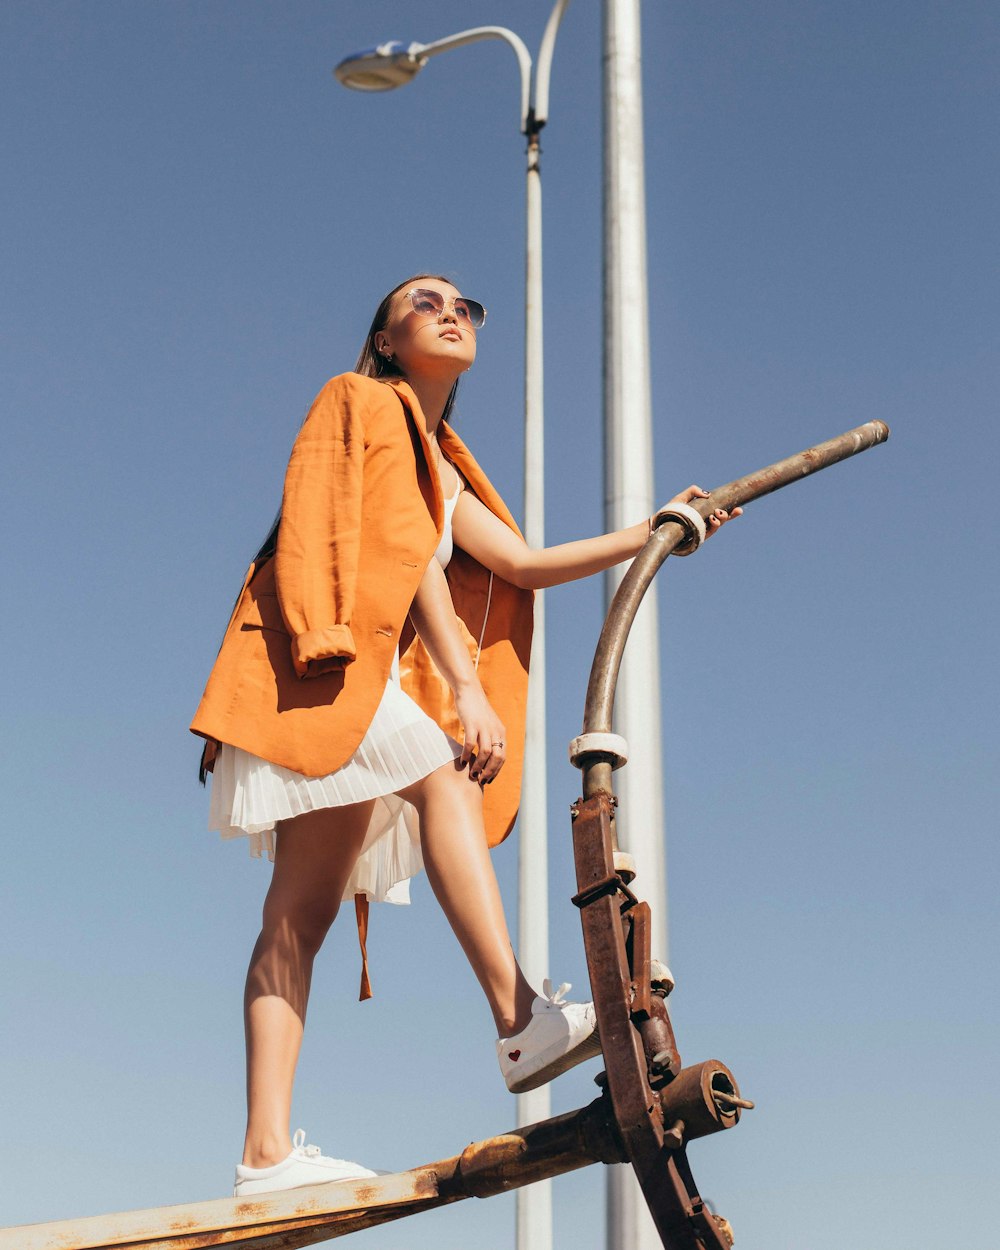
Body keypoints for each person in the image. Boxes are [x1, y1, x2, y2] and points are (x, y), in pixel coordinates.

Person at [190, 273, 739, 1198]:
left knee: (298, 920)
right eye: (425, 302)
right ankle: (520, 1019)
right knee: (440, 776)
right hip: (319, 664)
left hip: (337, 683)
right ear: (387, 339)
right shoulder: (361, 401)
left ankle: (264, 1155)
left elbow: (521, 562)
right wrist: (459, 690)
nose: (452, 312)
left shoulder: (438, 464)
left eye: (464, 305)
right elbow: (407, 570)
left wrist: (655, 532)